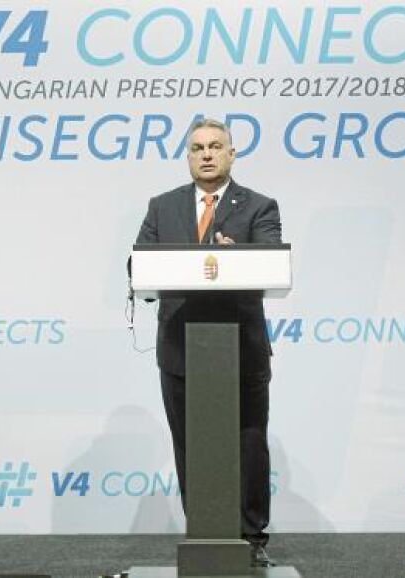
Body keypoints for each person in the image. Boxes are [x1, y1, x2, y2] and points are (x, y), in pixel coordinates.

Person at [134, 118, 281, 567]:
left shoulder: (259, 206)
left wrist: (238, 256)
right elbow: (138, 263)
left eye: (216, 146)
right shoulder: (162, 207)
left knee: (249, 443)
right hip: (181, 348)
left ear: (231, 154)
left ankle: (252, 537)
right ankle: (202, 529)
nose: (207, 154)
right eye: (198, 148)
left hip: (241, 347)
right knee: (188, 443)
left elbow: (271, 261)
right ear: (188, 156)